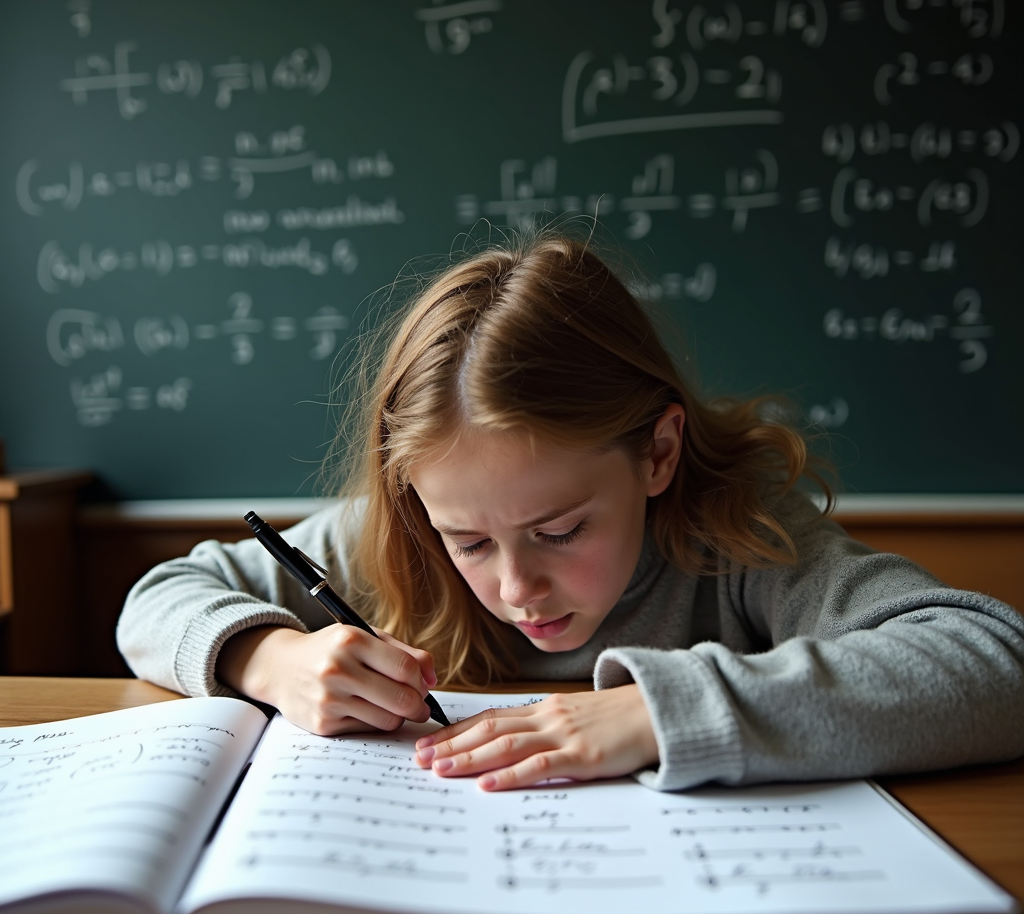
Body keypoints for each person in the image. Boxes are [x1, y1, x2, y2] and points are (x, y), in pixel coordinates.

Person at [118, 232, 1024, 793]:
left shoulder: (738, 536)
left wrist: (657, 717)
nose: (517, 586)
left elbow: (994, 664)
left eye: (559, 531)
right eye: (468, 539)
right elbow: (158, 595)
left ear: (658, 454)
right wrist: (267, 656)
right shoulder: (398, 534)